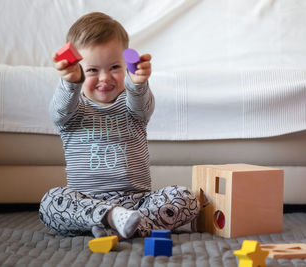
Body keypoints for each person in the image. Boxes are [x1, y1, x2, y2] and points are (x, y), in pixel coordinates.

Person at [39, 12, 199, 239]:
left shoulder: (132, 107)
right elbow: (59, 110)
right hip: (86, 201)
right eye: (92, 70)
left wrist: (138, 84)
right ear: (78, 70)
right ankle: (113, 219)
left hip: (137, 202)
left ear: (126, 65)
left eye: (114, 67)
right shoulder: (73, 111)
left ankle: (125, 224)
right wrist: (71, 83)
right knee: (51, 202)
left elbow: (142, 105)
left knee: (187, 198)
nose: (105, 78)